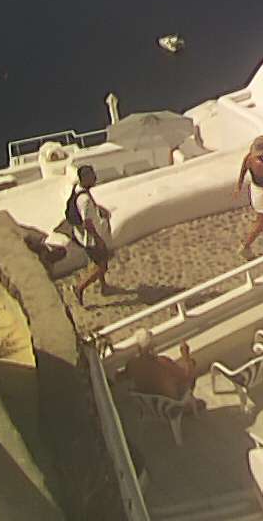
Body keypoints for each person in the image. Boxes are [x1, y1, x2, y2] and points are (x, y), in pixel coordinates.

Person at [66, 165, 118, 307]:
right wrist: (98, 240)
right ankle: (79, 288)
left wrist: (98, 209)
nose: (95, 177)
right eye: (91, 176)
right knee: (102, 266)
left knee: (99, 262)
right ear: (85, 178)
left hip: (84, 236)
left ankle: (103, 286)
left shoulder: (79, 190)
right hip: (91, 240)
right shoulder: (85, 201)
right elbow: (88, 223)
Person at [121, 330, 202, 409]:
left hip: (150, 404)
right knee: (191, 365)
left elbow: (124, 376)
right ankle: (187, 406)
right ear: (152, 346)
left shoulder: (132, 364)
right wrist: (186, 355)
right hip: (170, 404)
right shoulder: (162, 362)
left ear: (138, 348)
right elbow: (185, 376)